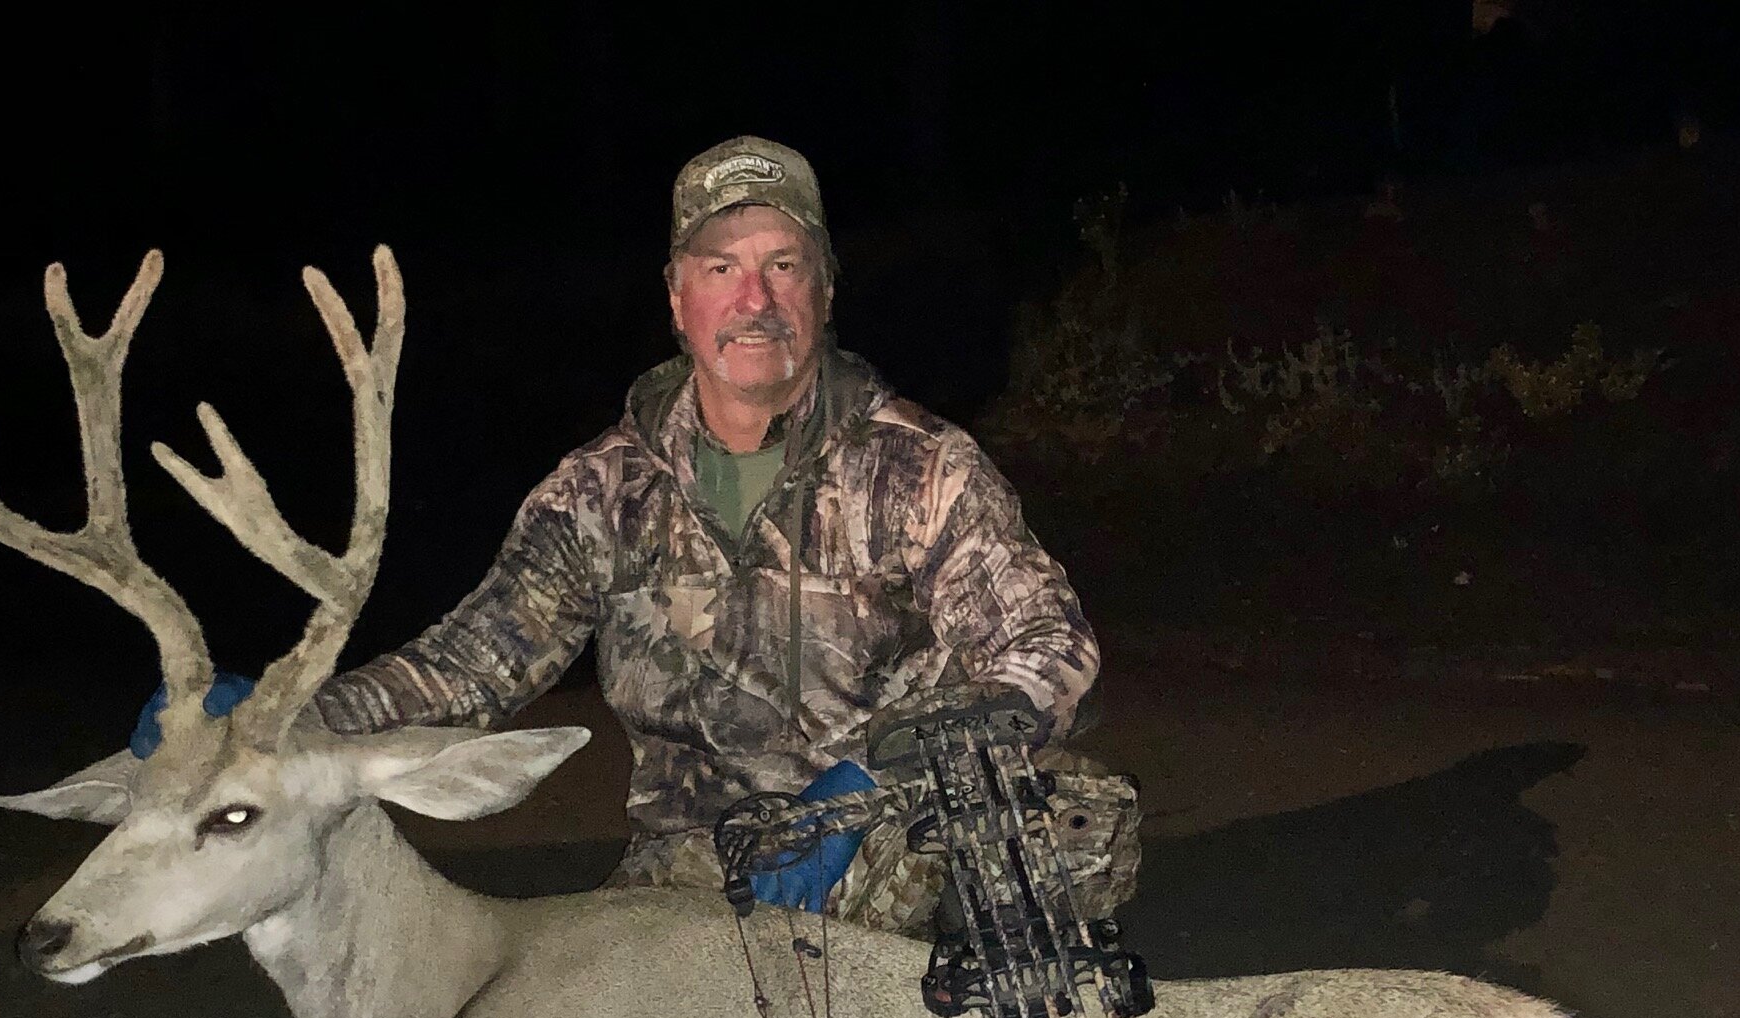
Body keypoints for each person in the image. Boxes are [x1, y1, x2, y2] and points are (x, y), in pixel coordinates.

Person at [310, 135, 1136, 935]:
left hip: (894, 831)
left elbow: (1046, 645)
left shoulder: (918, 469)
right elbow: (468, 666)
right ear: (677, 297)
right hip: (697, 867)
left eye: (784, 265)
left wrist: (875, 779)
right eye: (722, 269)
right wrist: (294, 716)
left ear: (823, 290)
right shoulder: (599, 493)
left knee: (1066, 826)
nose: (756, 301)